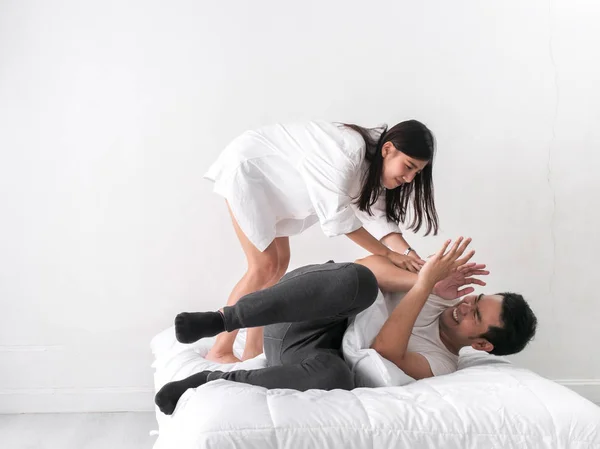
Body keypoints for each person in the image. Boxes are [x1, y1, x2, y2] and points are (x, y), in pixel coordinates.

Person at [155, 238, 538, 415]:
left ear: (483, 345)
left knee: (336, 373)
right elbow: (364, 267)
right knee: (361, 282)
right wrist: (424, 281)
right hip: (299, 307)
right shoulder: (441, 294)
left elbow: (386, 352)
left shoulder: (441, 364)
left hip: (300, 347)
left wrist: (424, 288)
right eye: (475, 299)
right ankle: (224, 319)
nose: (464, 305)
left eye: (475, 314)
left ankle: (208, 380)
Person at [204, 120, 438, 362]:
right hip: (250, 170)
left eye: (417, 173)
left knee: (278, 264)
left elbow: (378, 215)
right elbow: (337, 217)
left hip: (273, 185)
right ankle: (220, 349)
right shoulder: (347, 150)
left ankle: (252, 351)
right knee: (263, 266)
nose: (410, 178)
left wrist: (411, 256)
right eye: (409, 167)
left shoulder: (372, 162)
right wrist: (388, 255)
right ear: (388, 149)